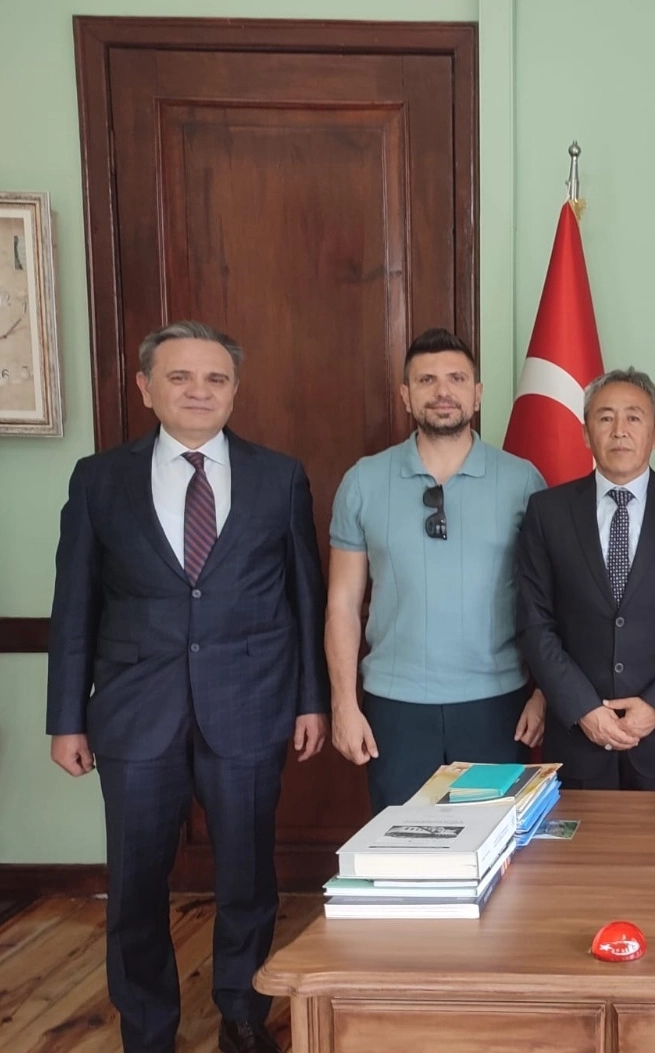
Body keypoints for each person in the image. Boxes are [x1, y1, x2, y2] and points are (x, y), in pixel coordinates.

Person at [46, 321, 327, 1053]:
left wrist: (312, 700)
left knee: (248, 878)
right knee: (135, 885)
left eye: (215, 378)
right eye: (180, 377)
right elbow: (74, 605)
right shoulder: (99, 480)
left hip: (251, 707)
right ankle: (147, 1028)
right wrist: (65, 718)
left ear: (234, 390)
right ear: (146, 388)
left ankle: (241, 1012)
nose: (199, 391)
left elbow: (305, 596)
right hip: (136, 714)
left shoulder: (279, 476)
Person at [326, 328, 547, 813]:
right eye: (427, 380)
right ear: (406, 396)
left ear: (477, 394)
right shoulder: (363, 481)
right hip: (395, 708)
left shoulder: (523, 481)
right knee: (403, 848)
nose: (443, 391)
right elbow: (342, 604)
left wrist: (544, 695)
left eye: (456, 379)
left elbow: (550, 601)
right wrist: (343, 704)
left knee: (490, 845)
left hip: (497, 705)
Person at [518, 368, 655, 790]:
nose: (619, 430)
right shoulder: (548, 512)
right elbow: (535, 623)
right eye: (605, 418)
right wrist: (582, 708)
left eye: (634, 417)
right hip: (577, 740)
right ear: (586, 433)